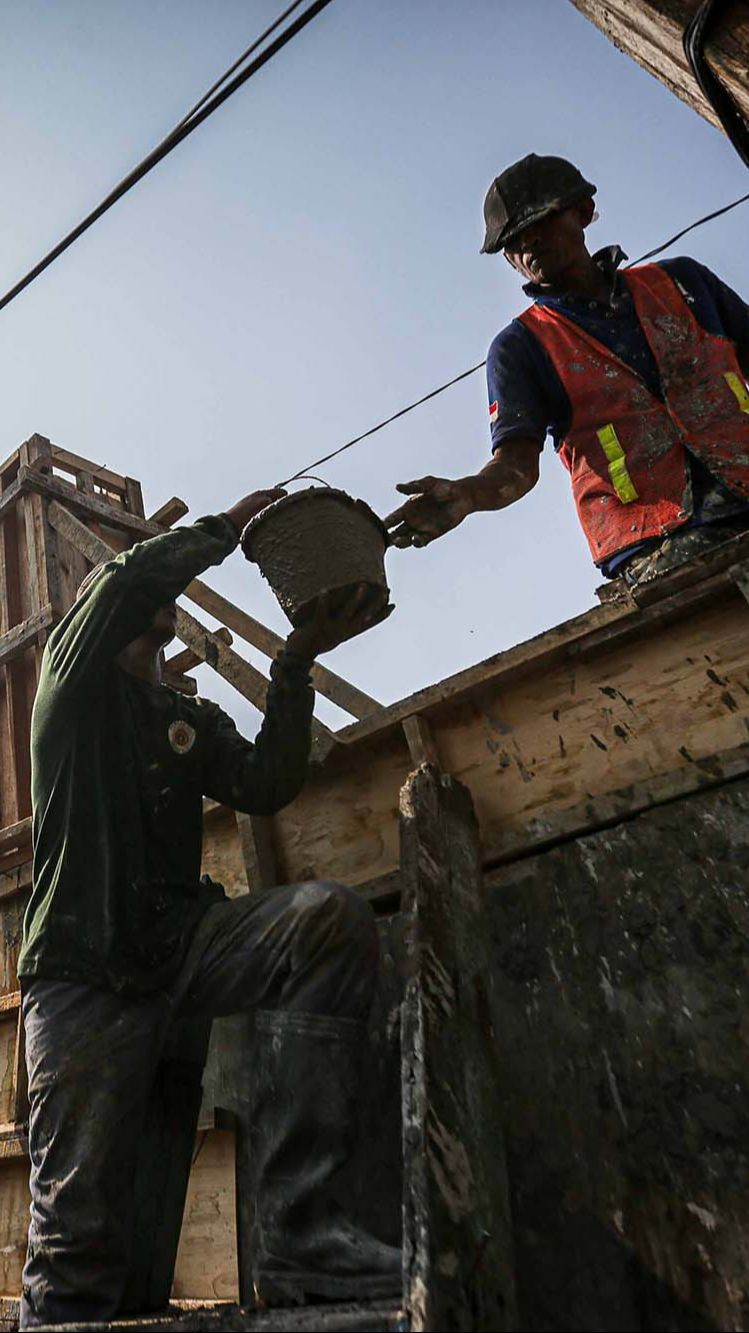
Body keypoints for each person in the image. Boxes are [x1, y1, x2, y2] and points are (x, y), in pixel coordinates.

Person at [17, 489, 399, 1329]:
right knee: (80, 1241)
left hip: (179, 947)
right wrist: (224, 527)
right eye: (137, 597)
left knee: (325, 923)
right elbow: (121, 580)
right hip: (83, 968)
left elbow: (266, 783)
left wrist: (292, 669)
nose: (153, 606)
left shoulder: (185, 716)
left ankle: (305, 1236)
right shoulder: (71, 685)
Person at [385, 153, 749, 585]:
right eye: (513, 241)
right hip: (657, 541)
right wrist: (466, 494)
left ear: (583, 212)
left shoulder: (683, 283)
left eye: (540, 222)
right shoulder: (521, 348)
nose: (528, 244)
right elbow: (515, 466)